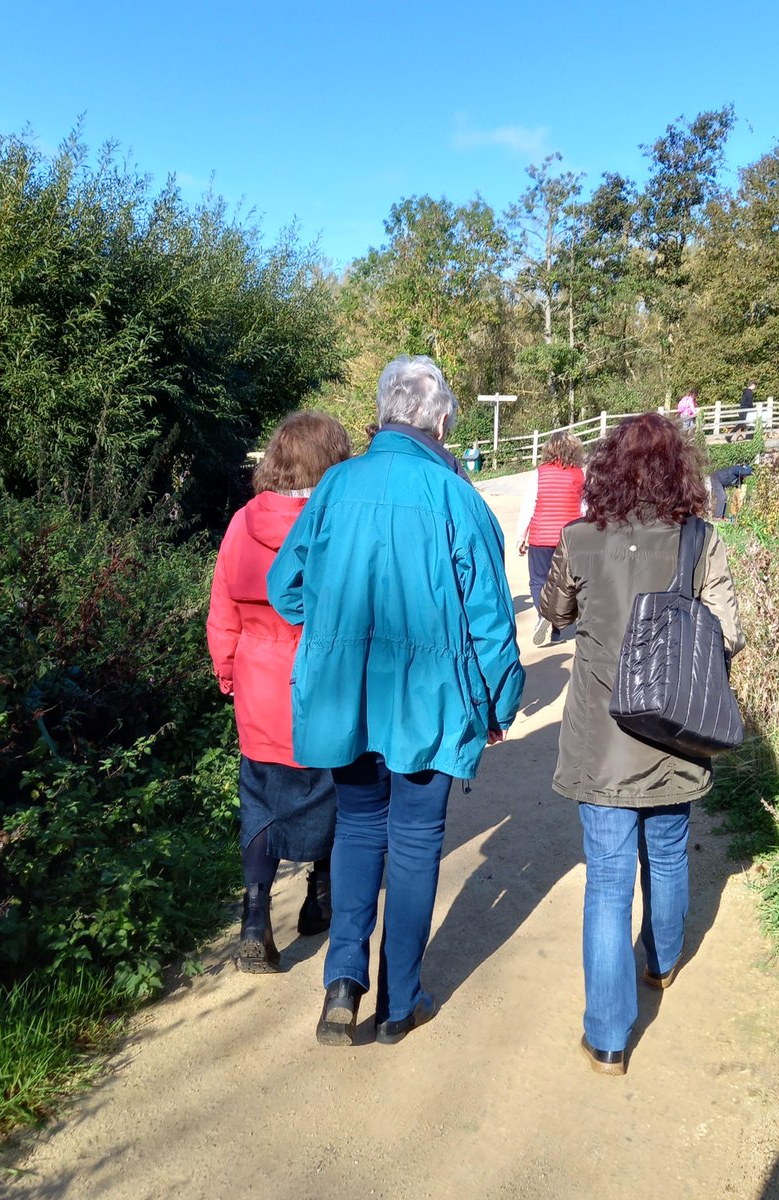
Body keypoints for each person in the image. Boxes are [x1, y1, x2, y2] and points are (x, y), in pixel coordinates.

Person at [268, 355, 525, 1048]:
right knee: (413, 845)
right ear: (442, 421)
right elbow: (492, 622)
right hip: (429, 704)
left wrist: (334, 634)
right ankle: (401, 1000)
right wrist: (499, 704)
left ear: (382, 414)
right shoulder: (457, 498)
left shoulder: (333, 488)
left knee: (356, 828)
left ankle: (343, 983)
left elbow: (284, 586)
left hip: (346, 698)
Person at [538, 413, 745, 1076]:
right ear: (679, 471)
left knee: (606, 879)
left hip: (603, 738)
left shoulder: (580, 538)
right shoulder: (700, 541)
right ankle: (660, 963)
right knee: (667, 855)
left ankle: (606, 1037)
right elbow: (729, 635)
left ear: (609, 470)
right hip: (677, 734)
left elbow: (555, 614)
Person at [207, 411, 352, 972]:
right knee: (337, 790)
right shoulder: (336, 522)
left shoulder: (242, 522)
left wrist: (227, 671)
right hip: (324, 688)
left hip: (258, 688)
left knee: (261, 802)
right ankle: (320, 898)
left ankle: (253, 918)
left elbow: (223, 610)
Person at [516, 431, 585, 646]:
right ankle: (556, 632)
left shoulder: (540, 473)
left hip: (540, 536)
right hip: (569, 539)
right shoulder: (579, 475)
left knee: (538, 580)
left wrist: (521, 536)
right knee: (563, 584)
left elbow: (529, 505)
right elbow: (585, 508)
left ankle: (543, 615)